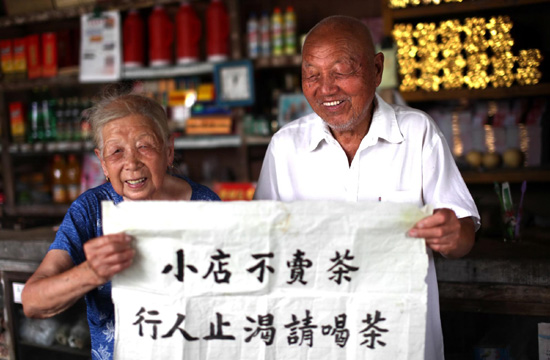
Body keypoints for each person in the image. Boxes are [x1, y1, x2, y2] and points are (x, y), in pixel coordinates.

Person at [254, 16, 480, 359]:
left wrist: (451, 233)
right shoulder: (285, 147)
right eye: (312, 75)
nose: (326, 88)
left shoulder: (417, 134)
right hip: (316, 340)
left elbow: (463, 235)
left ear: (376, 69)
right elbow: (260, 245)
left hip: (400, 340)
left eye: (342, 71)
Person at [21, 87, 220, 360]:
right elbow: (33, 302)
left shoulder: (205, 204)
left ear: (169, 151)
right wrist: (92, 272)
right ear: (102, 163)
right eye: (116, 152)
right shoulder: (91, 211)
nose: (131, 163)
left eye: (144, 146)